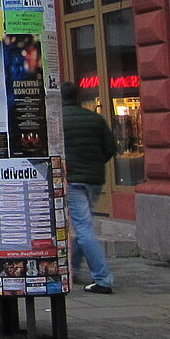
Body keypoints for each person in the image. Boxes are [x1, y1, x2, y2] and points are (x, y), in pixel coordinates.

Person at [62, 84, 116, 293]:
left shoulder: (58, 120)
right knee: (83, 223)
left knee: (83, 227)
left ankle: (103, 279)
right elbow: (110, 147)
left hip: (73, 180)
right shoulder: (95, 118)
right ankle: (73, 268)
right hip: (94, 180)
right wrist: (95, 164)